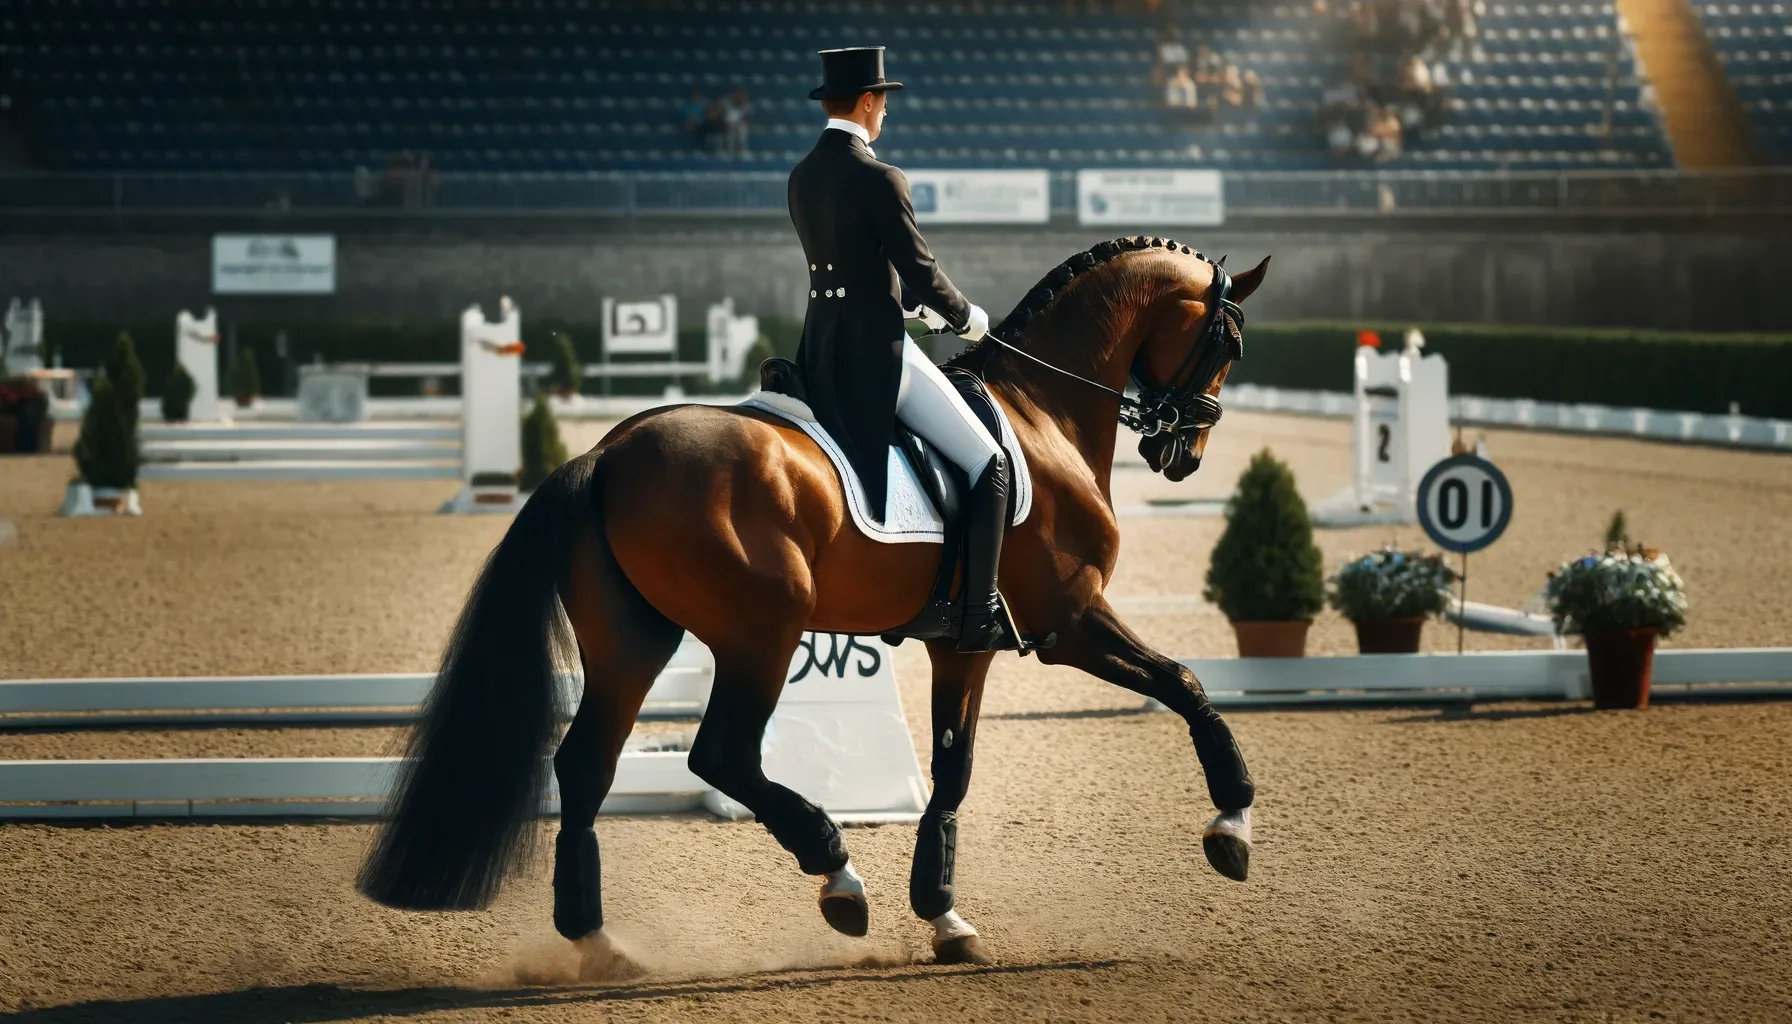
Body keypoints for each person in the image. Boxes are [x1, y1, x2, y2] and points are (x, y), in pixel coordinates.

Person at [786, 46, 1016, 652]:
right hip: (878, 355)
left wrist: (906, 307)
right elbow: (918, 269)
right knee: (988, 463)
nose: (885, 115)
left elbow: (851, 267)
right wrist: (966, 318)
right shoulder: (881, 176)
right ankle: (979, 615)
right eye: (883, 103)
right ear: (867, 102)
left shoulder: (803, 175)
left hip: (821, 348)